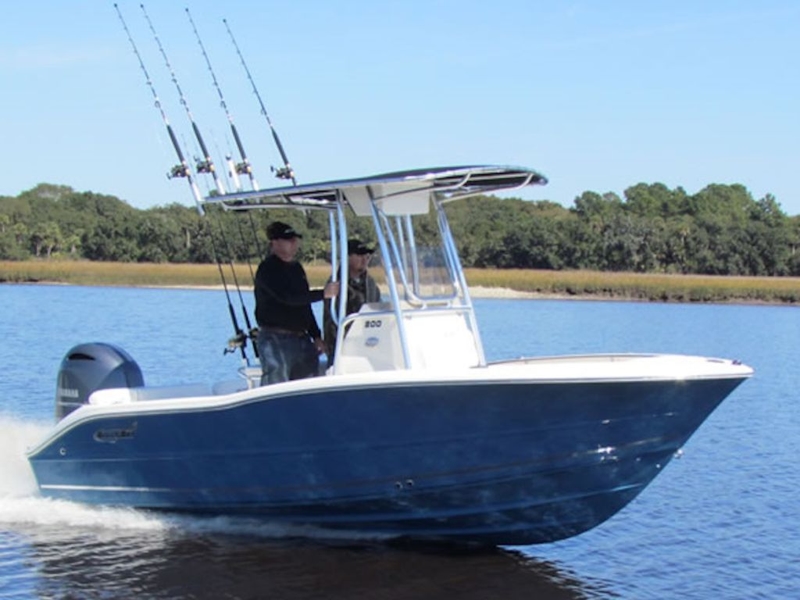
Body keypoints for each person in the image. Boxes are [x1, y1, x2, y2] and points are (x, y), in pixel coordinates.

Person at [254, 221, 339, 385]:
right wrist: (323, 294)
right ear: (275, 242)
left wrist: (316, 336)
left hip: (302, 338)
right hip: (276, 339)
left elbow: (304, 304)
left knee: (308, 384)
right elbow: (288, 297)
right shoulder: (267, 269)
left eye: (295, 240)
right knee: (277, 386)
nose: (294, 244)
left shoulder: (296, 268)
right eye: (289, 240)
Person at [323, 238, 382, 364]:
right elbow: (331, 319)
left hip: (368, 344)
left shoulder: (370, 283)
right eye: (359, 255)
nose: (364, 259)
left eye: (367, 256)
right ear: (347, 257)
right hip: (341, 347)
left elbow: (378, 310)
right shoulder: (336, 284)